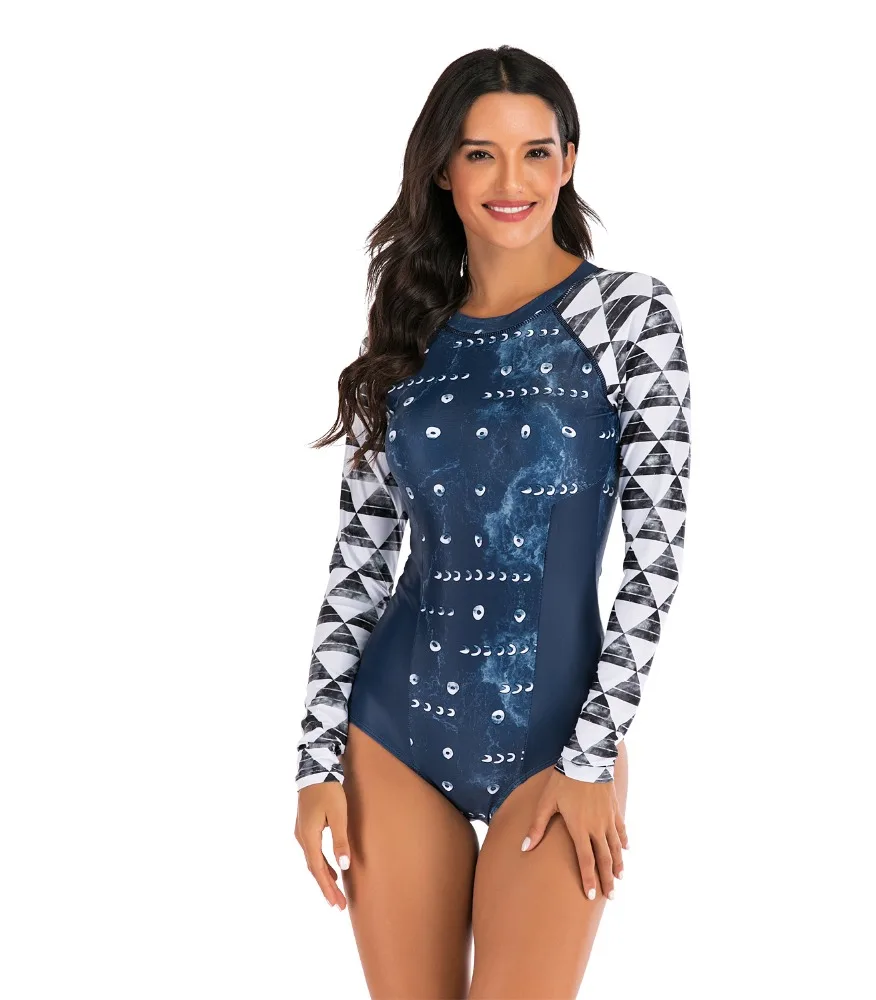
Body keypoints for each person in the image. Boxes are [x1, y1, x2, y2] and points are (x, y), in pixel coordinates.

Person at [293, 44, 691, 1000]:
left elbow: (656, 553)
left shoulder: (628, 315)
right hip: (393, 735)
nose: (512, 182)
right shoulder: (407, 331)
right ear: (443, 168)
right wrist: (315, 761)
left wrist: (591, 757)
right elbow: (360, 559)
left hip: (559, 743)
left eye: (535, 152)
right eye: (481, 154)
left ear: (568, 161)